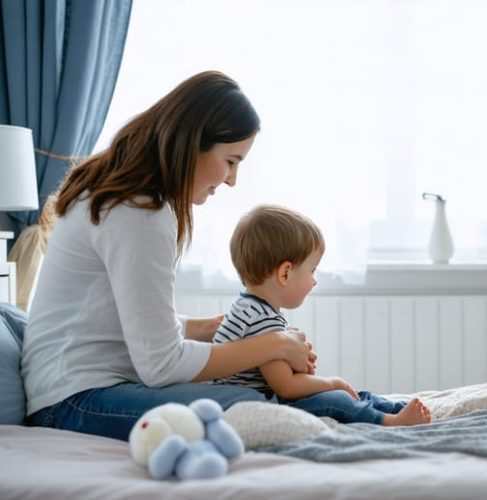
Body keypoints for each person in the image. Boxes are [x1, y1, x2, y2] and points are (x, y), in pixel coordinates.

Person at [21, 71, 316, 441]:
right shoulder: (139, 209)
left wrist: (217, 326)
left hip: (68, 389)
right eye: (231, 160)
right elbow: (161, 364)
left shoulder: (125, 196)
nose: (232, 180)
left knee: (253, 400)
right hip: (71, 401)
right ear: (194, 143)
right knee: (248, 402)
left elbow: (129, 324)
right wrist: (272, 345)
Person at [214, 204, 432, 426]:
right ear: (285, 273)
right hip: (266, 406)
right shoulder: (263, 319)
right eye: (312, 270)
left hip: (265, 397)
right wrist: (331, 382)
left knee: (346, 393)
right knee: (338, 398)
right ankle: (390, 421)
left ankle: (398, 409)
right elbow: (286, 387)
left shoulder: (247, 308)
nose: (314, 280)